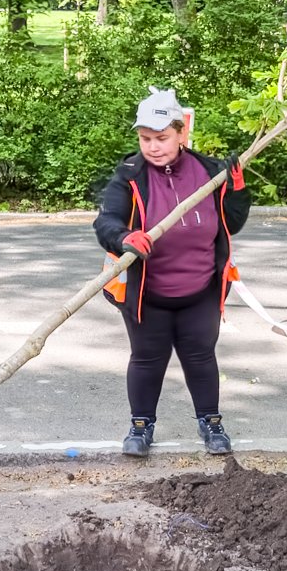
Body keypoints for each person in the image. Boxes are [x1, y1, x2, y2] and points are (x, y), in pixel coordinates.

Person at [93, 87, 250, 458]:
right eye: (145, 138)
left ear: (181, 133)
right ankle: (141, 426)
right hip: (149, 295)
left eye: (162, 138)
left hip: (201, 291)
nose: (153, 146)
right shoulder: (129, 175)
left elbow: (232, 222)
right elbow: (106, 222)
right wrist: (124, 237)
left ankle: (211, 423)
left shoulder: (210, 172)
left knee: (201, 357)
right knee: (147, 359)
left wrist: (237, 190)